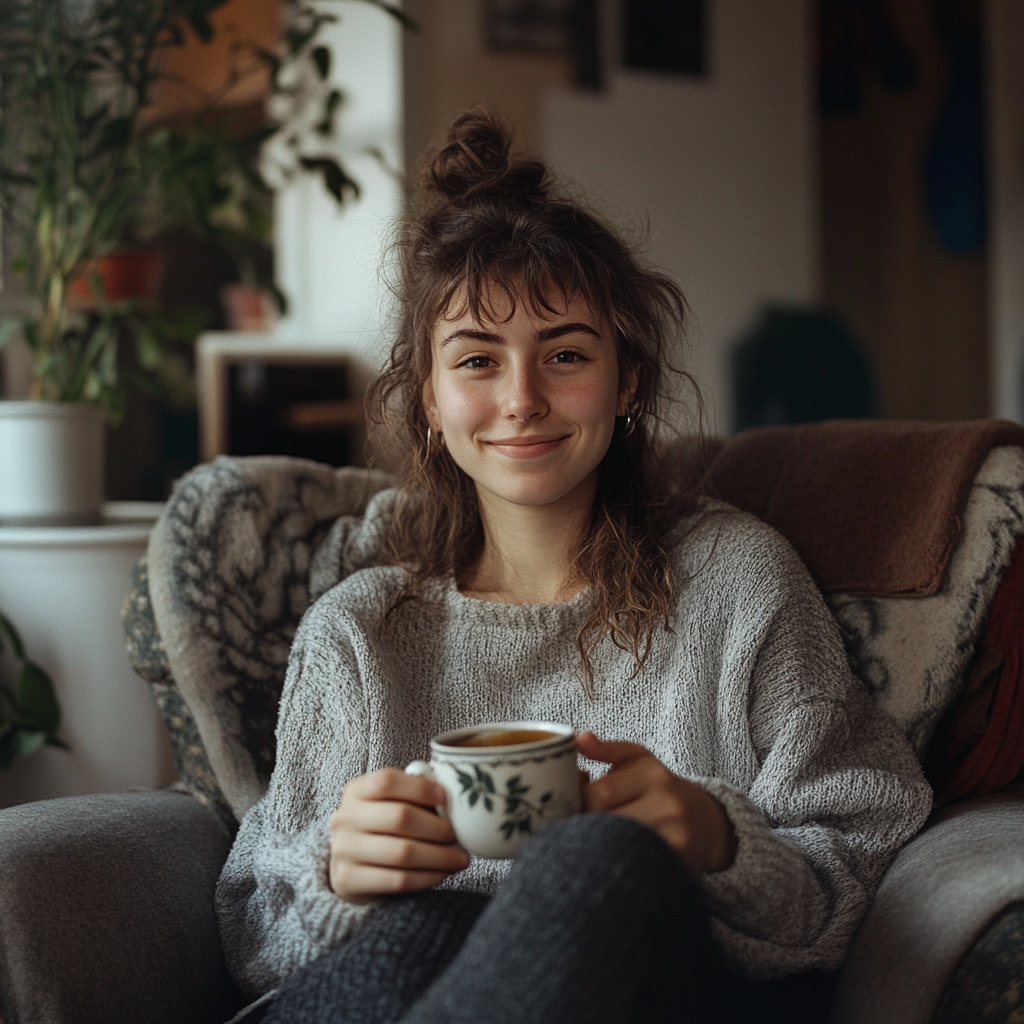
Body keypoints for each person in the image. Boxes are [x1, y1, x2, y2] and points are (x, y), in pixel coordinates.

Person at [216, 108, 932, 1024]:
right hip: (398, 988)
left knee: (595, 860)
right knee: (412, 932)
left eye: (564, 354)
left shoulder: (737, 583)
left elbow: (861, 853)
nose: (522, 400)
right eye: (478, 360)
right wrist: (334, 877)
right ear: (429, 399)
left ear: (626, 380)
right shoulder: (361, 632)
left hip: (656, 986)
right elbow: (252, 936)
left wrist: (717, 840)